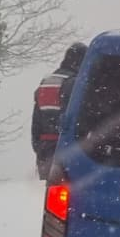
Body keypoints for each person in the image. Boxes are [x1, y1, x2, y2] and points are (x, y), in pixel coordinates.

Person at [31, 42, 88, 179]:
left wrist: (39, 149)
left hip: (45, 151)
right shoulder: (75, 84)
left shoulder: (46, 82)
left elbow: (36, 121)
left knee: (50, 195)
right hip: (65, 151)